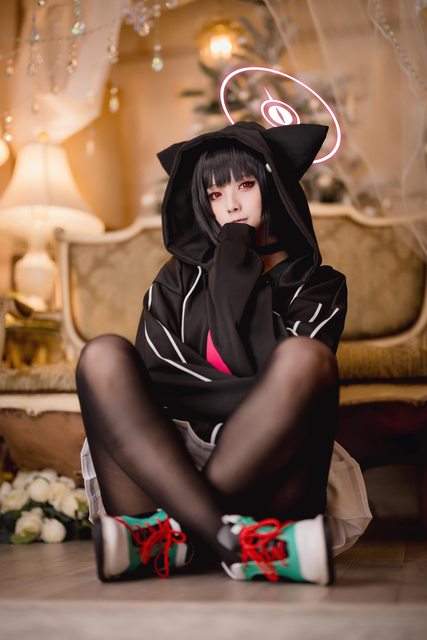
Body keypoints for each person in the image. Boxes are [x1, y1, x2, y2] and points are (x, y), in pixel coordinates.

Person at [76, 120, 371, 585]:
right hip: (162, 465)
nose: (230, 204)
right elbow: (155, 374)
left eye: (245, 185)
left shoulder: (319, 288)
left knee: (305, 360)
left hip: (265, 466)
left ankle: (174, 540)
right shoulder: (177, 278)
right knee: (103, 355)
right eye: (215, 194)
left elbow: (282, 386)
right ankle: (233, 542)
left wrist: (236, 256)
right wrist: (229, 257)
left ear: (273, 186)